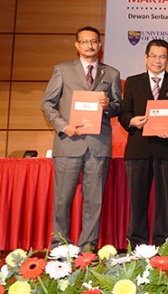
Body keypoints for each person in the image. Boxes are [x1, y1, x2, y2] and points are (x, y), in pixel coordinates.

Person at [40, 26, 122, 250]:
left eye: (94, 41)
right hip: (69, 144)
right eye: (85, 41)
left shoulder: (112, 73)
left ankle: (88, 248)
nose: (90, 45)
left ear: (100, 45)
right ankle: (60, 246)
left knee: (93, 202)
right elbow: (47, 104)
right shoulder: (63, 70)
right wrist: (64, 126)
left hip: (98, 145)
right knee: (62, 200)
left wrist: (108, 107)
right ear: (77, 45)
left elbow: (118, 107)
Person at [119, 39, 168, 248]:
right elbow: (124, 113)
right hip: (138, 150)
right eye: (154, 56)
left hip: (166, 150)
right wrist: (131, 121)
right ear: (146, 58)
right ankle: (137, 245)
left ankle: (163, 244)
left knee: (165, 201)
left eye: (163, 57)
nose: (158, 61)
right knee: (137, 201)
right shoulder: (132, 81)